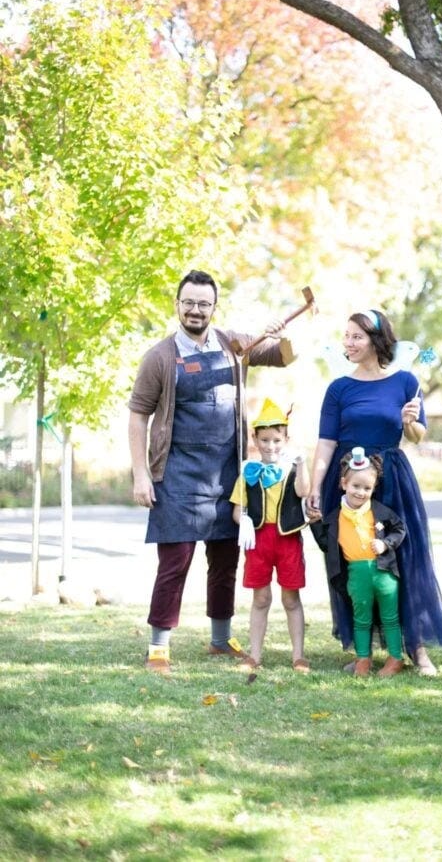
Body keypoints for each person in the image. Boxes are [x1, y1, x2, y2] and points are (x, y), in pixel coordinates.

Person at [128, 270, 295, 673]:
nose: (196, 310)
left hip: (226, 475)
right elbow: (138, 417)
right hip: (177, 475)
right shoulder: (160, 357)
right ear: (178, 304)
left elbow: (285, 356)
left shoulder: (234, 344)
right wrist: (140, 474)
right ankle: (158, 647)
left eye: (204, 303)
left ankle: (220, 640)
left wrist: (278, 331)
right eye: (189, 302)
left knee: (224, 560)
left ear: (213, 307)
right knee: (175, 561)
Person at [307, 309, 442, 675]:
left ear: (376, 340)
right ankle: (364, 652)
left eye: (356, 336)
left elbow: (418, 435)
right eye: (346, 336)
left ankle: (416, 650)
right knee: (358, 563)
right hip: (349, 481)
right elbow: (325, 443)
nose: (349, 343)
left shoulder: (405, 381)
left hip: (392, 482)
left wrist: (410, 422)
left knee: (404, 561)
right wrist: (313, 485)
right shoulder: (339, 388)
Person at [230, 398, 310, 673]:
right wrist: (245, 522)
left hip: (287, 539)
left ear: (285, 439)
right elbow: (238, 511)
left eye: (276, 440)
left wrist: (303, 464)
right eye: (265, 440)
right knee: (261, 598)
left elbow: (303, 492)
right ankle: (254, 655)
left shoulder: (292, 470)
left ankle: (298, 656)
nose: (270, 445)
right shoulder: (247, 473)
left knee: (291, 598)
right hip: (258, 542)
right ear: (255, 439)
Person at [310, 448, 406, 677]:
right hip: (356, 575)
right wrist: (315, 524)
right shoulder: (334, 517)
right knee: (361, 619)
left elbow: (400, 528)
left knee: (390, 617)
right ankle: (363, 659)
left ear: (373, 489)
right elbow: (327, 544)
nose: (361, 492)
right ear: (344, 483)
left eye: (367, 488)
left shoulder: (380, 512)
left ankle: (395, 658)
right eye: (356, 486)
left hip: (384, 574)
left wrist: (386, 544)